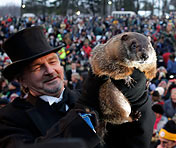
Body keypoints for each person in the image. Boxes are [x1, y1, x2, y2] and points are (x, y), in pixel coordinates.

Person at [0, 26, 155, 148]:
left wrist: (139, 102)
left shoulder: (85, 95)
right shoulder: (9, 119)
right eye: (37, 67)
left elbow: (133, 142)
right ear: (22, 80)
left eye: (53, 62)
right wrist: (86, 109)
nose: (49, 71)